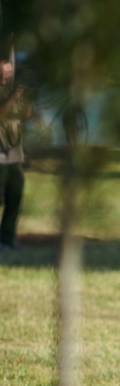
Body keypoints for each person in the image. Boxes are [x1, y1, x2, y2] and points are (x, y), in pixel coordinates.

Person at [0, 59, 32, 250]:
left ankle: (7, 237)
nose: (7, 75)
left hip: (15, 156)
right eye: (4, 72)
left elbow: (24, 116)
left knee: (15, 199)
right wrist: (12, 98)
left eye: (9, 72)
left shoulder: (13, 93)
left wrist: (26, 102)